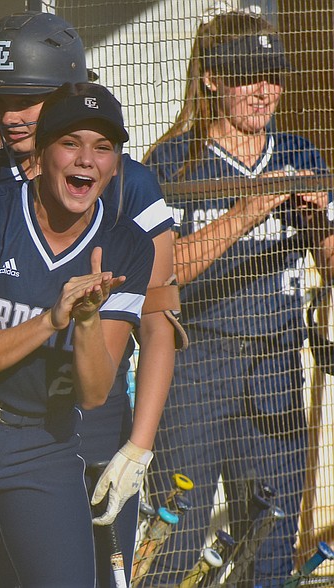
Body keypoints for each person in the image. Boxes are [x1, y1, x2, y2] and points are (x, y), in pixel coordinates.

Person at [0, 12, 180, 587]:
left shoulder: (129, 186)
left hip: (73, 421)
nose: (9, 115)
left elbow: (158, 319)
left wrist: (139, 446)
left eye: (28, 99)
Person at [142, 11, 332, 587]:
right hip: (193, 362)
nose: (264, 89)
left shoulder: (300, 153)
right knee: (176, 535)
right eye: (248, 74)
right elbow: (163, 274)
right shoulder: (172, 162)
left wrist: (325, 219)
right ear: (211, 79)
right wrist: (253, 205)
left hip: (276, 359)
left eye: (274, 74)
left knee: (269, 535)